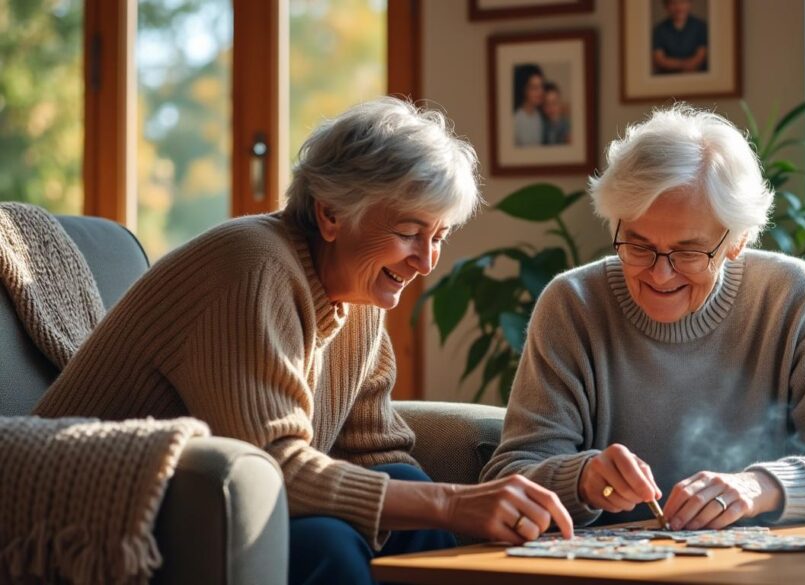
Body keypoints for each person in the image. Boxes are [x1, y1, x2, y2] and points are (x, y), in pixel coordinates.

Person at [34, 97, 573, 585]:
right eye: (410, 233)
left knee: (410, 506)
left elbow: (373, 452)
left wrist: (440, 507)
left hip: (217, 497)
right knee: (329, 541)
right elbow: (269, 464)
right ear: (331, 214)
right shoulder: (250, 265)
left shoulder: (357, 295)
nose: (426, 262)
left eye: (438, 237)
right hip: (95, 507)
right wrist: (451, 503)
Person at [480, 104, 805, 531]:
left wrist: (760, 487)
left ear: (736, 241)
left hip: (759, 569)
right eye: (638, 245)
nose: (660, 274)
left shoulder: (787, 296)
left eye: (688, 251)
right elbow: (506, 480)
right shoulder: (572, 304)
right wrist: (583, 481)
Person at [652, 0, 708, 75]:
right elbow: (659, 59)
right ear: (666, 6)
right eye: (673, 3)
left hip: (698, 75)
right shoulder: (659, 30)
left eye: (683, 2)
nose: (679, 8)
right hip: (668, 77)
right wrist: (682, 65)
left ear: (690, 4)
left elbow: (701, 55)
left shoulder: (701, 26)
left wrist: (691, 65)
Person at [513, 63, 546, 146]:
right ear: (524, 90)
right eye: (534, 88)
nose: (540, 92)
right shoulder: (516, 119)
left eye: (541, 86)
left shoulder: (540, 116)